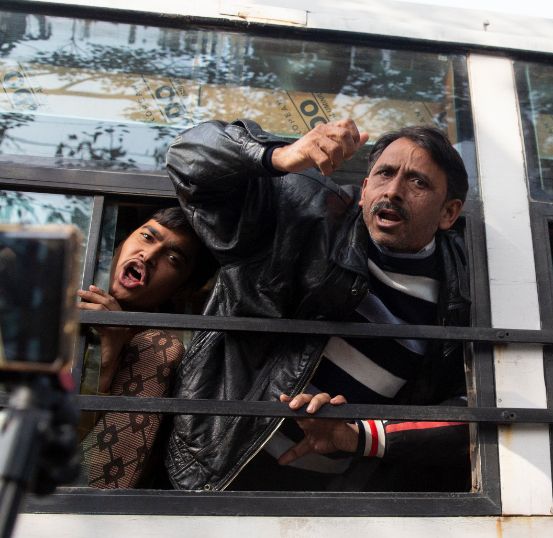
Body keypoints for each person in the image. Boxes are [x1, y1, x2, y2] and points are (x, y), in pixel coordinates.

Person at [164, 118, 471, 492]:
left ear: (449, 213)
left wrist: (358, 435)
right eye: (384, 174)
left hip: (330, 505)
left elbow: (476, 404)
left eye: (418, 182)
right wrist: (275, 156)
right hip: (211, 472)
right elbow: (185, 154)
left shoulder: (462, 285)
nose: (392, 191)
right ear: (363, 190)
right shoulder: (306, 213)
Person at [77, 207, 215, 488]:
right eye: (147, 237)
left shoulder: (165, 348)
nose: (148, 256)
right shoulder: (60, 292)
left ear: (181, 289)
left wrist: (108, 360)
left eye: (173, 258)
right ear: (121, 242)